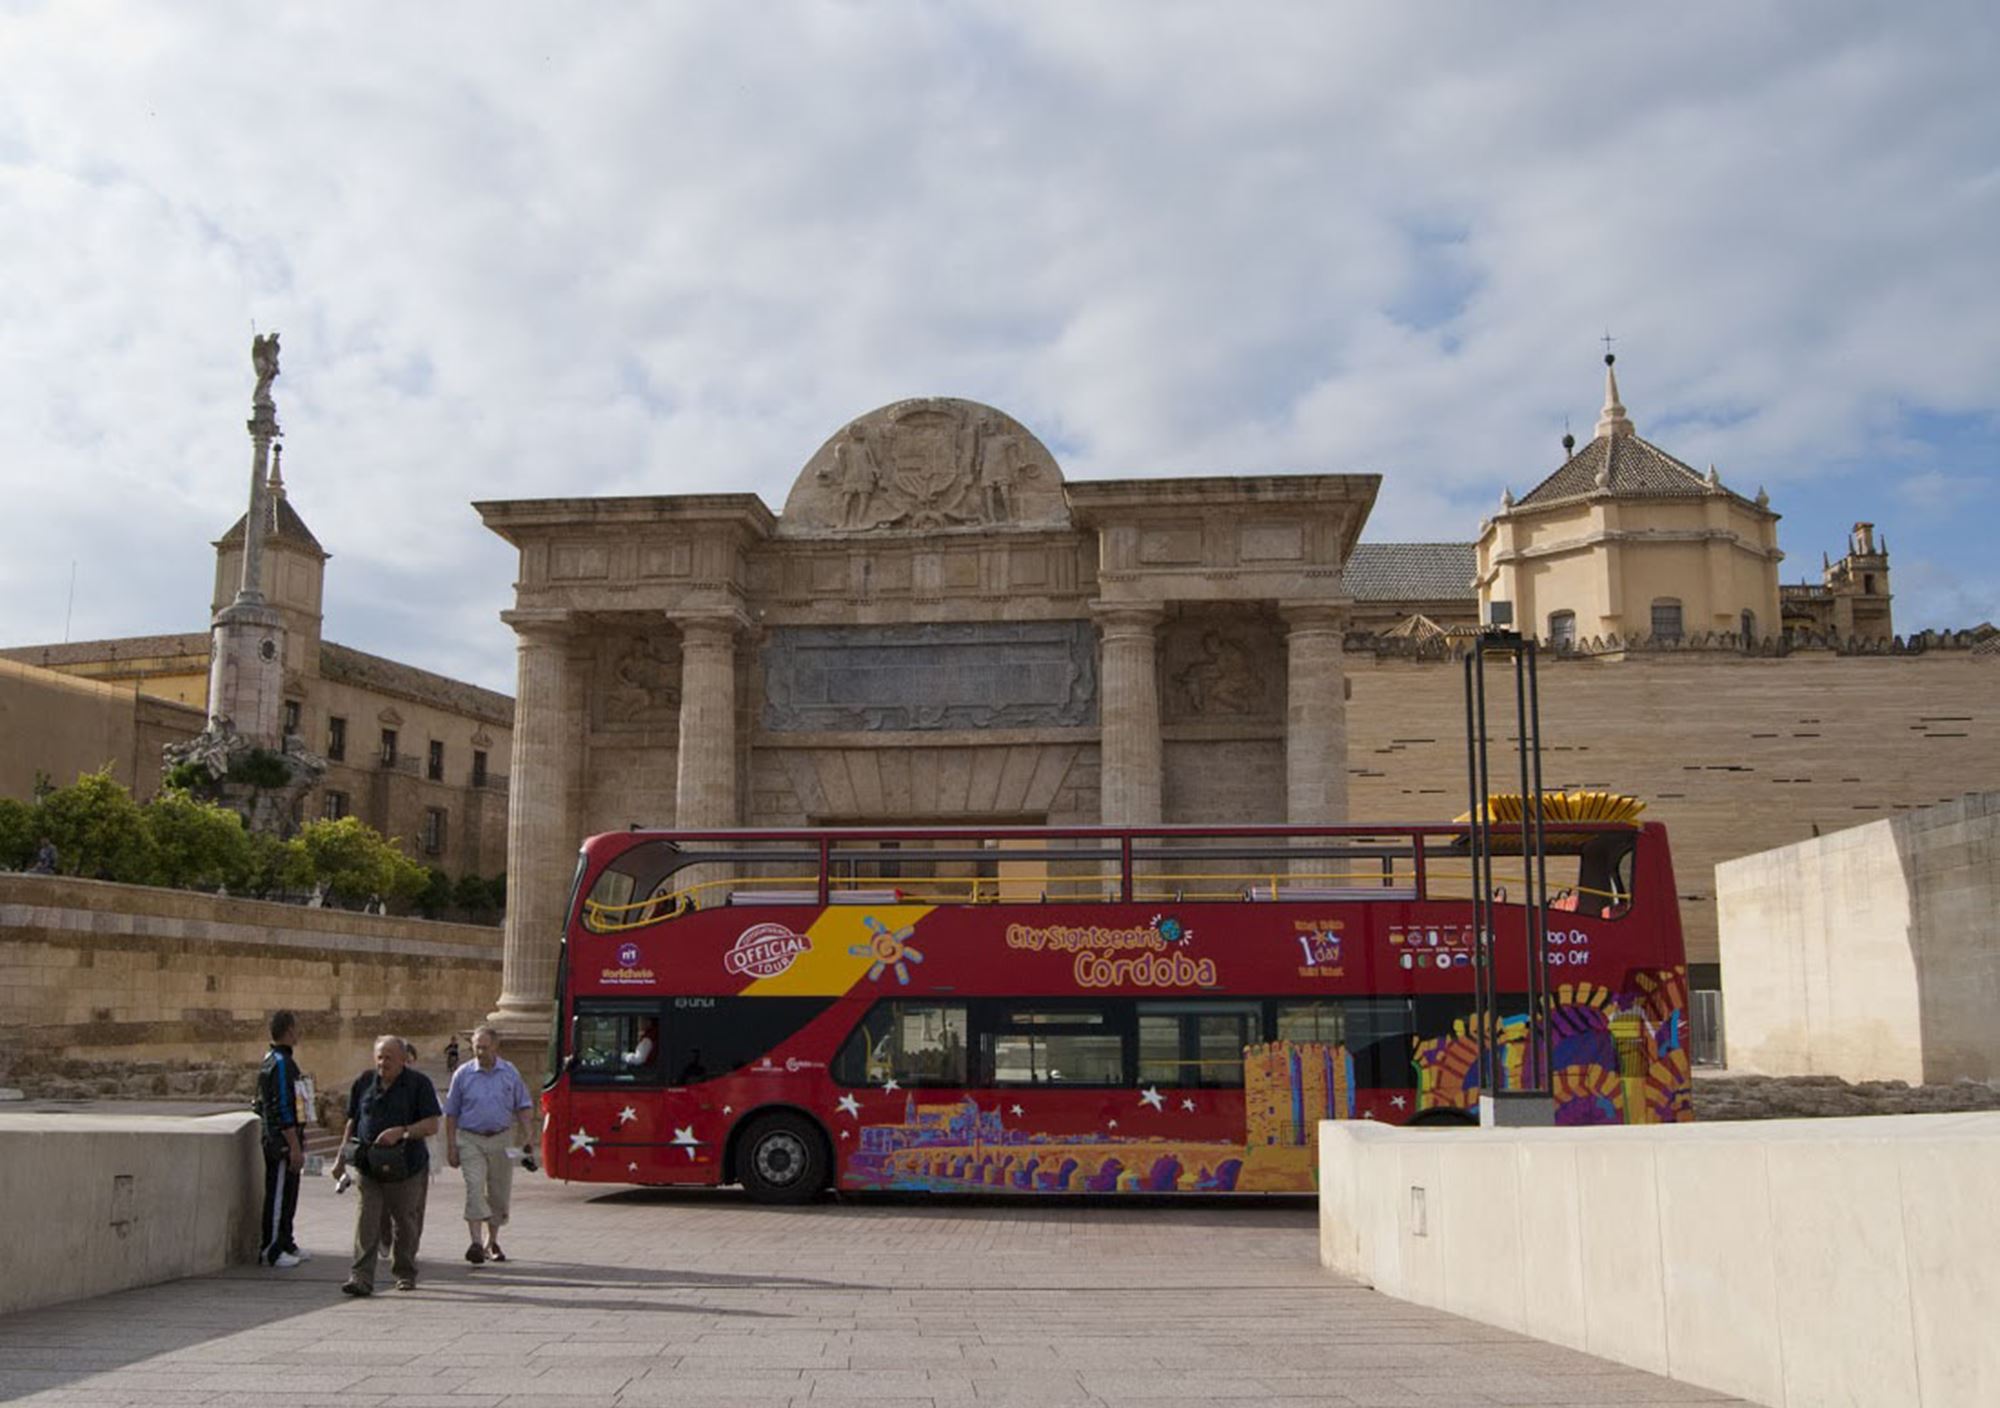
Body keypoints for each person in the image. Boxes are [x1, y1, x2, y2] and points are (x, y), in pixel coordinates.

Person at [333, 1034, 441, 1297]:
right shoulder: (363, 1083)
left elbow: (431, 1124)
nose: (383, 1063)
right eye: (380, 1057)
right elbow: (352, 1122)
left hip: (407, 1166)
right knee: (366, 1221)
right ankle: (360, 1277)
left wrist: (402, 1131)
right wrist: (342, 1156)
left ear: (404, 1060)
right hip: (369, 1165)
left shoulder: (419, 1085)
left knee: (405, 1222)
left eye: (389, 1058)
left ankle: (404, 1272)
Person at [443, 1025, 536, 1265]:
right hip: (470, 1138)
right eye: (476, 1047)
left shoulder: (509, 1073)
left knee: (498, 1193)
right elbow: (451, 1113)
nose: (480, 1052)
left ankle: (491, 1241)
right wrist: (451, 1146)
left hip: (501, 1138)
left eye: (484, 1047)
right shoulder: (462, 1074)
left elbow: (523, 1105)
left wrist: (528, 1135)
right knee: (474, 1186)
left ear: (495, 1047)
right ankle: (475, 1242)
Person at [254, 1010, 309, 1268]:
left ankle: (286, 1242)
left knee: (289, 1193)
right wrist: (294, 1146)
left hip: (283, 1139)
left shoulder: (275, 1060)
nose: (299, 1033)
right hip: (281, 1142)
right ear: (288, 1031)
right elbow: (282, 1108)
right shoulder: (281, 1064)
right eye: (296, 1028)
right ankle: (272, 1249)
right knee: (277, 1196)